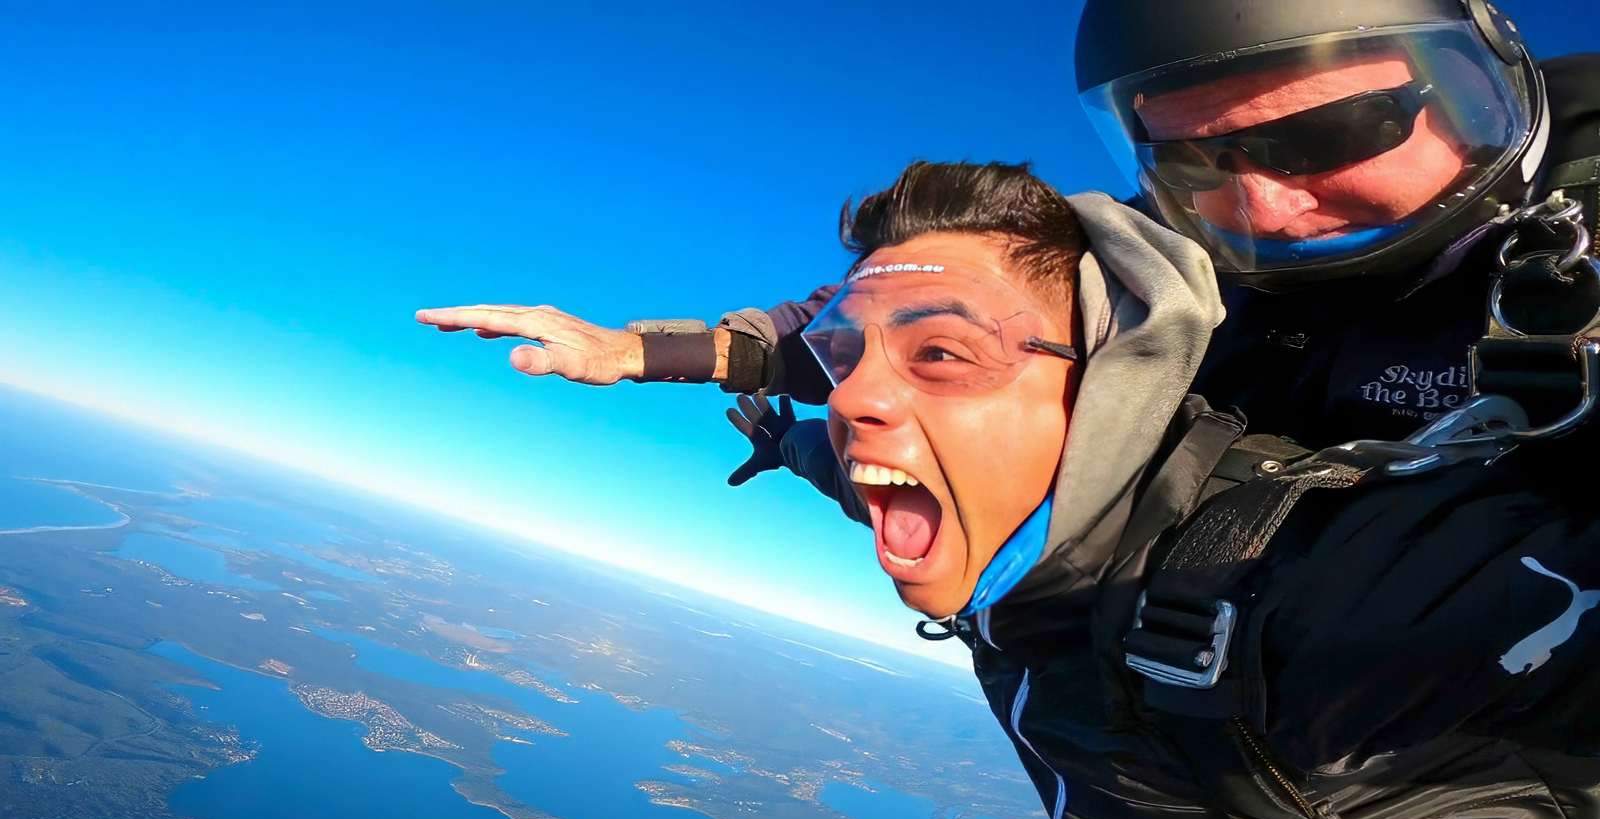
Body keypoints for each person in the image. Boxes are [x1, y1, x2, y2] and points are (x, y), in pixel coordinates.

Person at [427, 159, 1600, 819]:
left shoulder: (1345, 603)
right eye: (842, 362)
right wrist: (647, 356)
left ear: (1113, 377)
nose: (852, 399)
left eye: (942, 355)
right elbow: (826, 391)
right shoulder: (979, 504)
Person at [417, 1, 1599, 466]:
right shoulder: (1162, 263)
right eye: (1195, 164)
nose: (1267, 206)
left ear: (1480, 80)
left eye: (1328, 133)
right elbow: (930, 322)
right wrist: (639, 351)